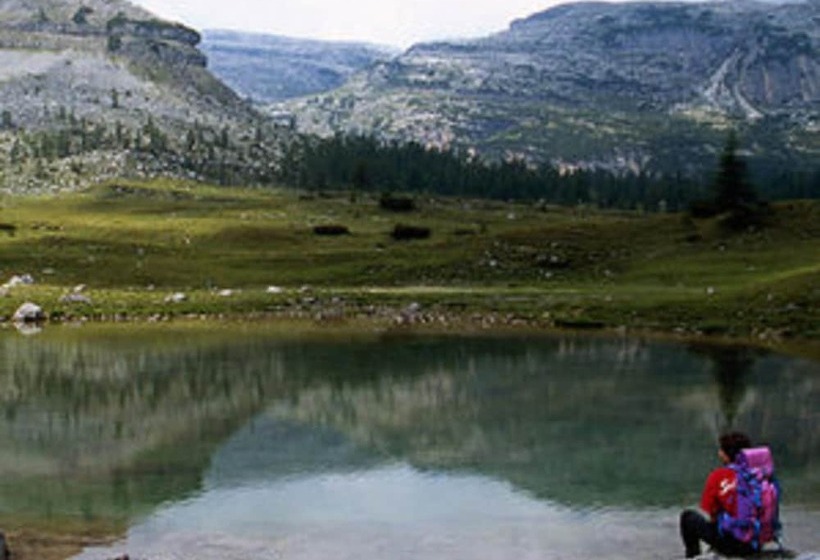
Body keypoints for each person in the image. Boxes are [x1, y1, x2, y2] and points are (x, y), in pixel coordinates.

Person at [680, 431, 757, 558]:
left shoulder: (718, 476)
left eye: (721, 450)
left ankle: (693, 556)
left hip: (733, 544)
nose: (719, 453)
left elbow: (713, 514)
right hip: (756, 542)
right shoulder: (760, 475)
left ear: (726, 456)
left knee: (688, 517)